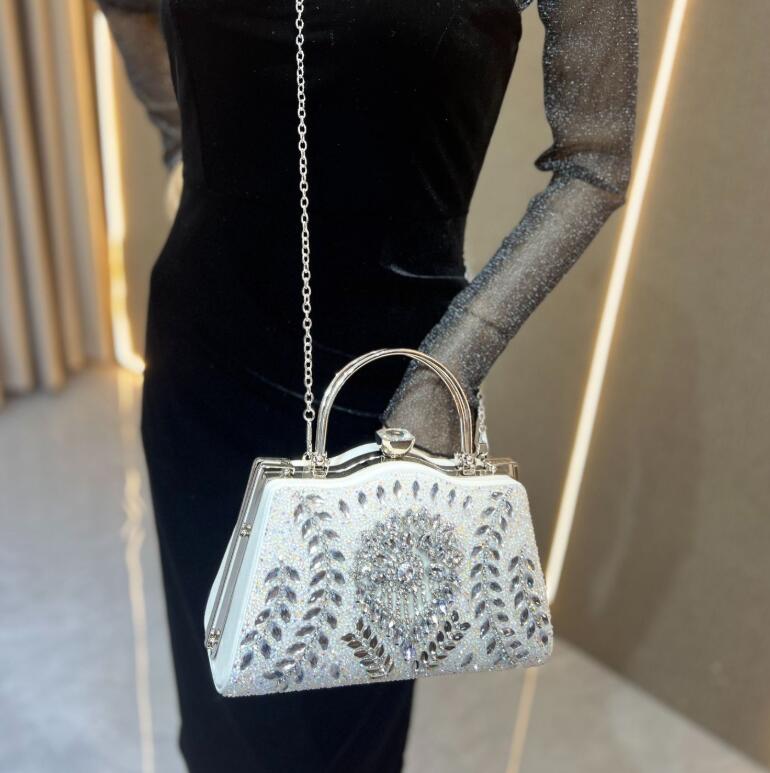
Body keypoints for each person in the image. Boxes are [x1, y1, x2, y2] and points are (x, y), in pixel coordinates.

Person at [99, 1, 638, 770]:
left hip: (392, 408)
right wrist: (189, 155)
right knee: (223, 709)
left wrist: (452, 365)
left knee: (350, 726)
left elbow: (597, 159)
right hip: (204, 374)